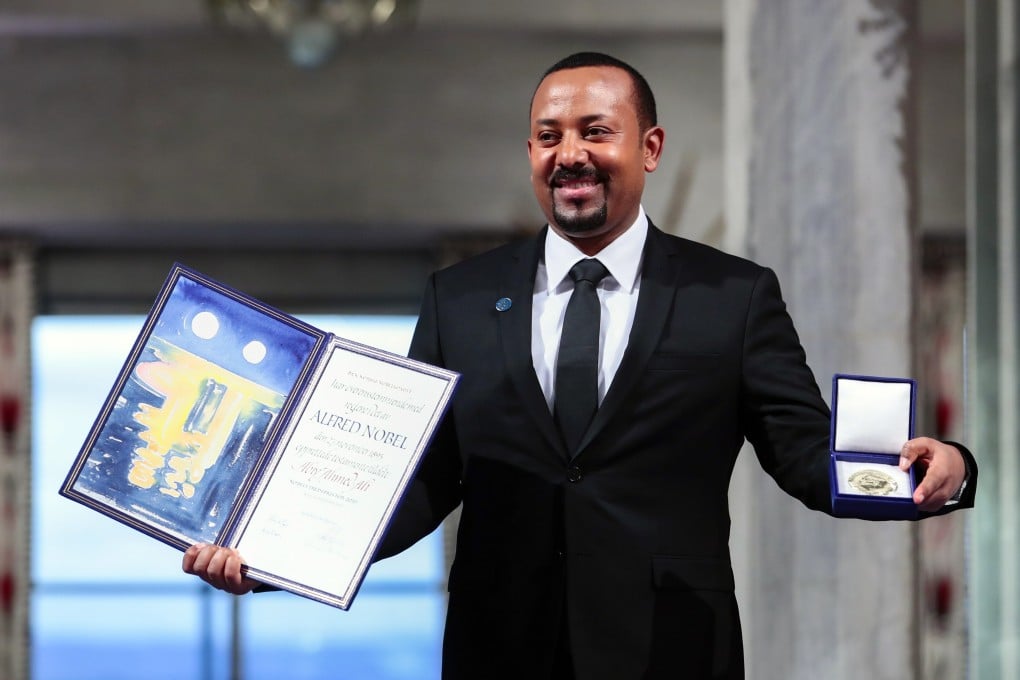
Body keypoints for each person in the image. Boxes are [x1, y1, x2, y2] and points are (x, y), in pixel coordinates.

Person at [184, 51, 977, 679]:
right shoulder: (459, 298)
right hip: (498, 647)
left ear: (649, 147)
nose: (570, 155)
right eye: (549, 136)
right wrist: (275, 559)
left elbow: (803, 452)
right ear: (530, 151)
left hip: (672, 649)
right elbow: (421, 479)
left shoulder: (732, 296)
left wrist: (939, 469)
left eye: (596, 131)